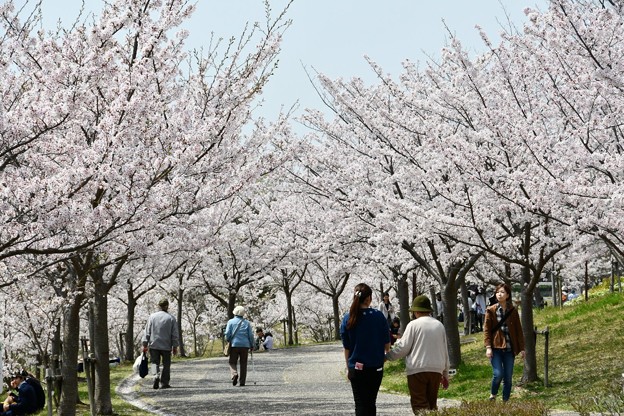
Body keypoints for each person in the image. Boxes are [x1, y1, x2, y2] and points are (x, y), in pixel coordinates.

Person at [385, 295, 450, 413]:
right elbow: (445, 350)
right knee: (432, 404)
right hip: (436, 369)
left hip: (417, 369)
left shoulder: (413, 325)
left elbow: (403, 348)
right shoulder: (439, 325)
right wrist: (445, 373)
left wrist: (388, 356)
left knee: (419, 404)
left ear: (416, 311)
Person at [340, 283, 390, 416]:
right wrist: (382, 357)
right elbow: (387, 345)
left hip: (356, 368)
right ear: (368, 298)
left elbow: (347, 348)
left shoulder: (348, 318)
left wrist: (348, 367)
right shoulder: (378, 316)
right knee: (371, 403)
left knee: (360, 404)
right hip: (375, 368)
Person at [484, 283, 525, 402]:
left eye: (502, 292)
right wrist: (488, 347)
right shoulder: (490, 311)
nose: (499, 294)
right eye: (497, 292)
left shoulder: (513, 310)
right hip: (495, 348)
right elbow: (486, 330)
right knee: (498, 374)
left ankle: (505, 402)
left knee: (508, 378)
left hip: (509, 349)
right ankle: (493, 394)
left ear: (507, 295)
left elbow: (518, 330)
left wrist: (522, 348)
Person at [142, 298, 179, 390]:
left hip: (154, 344)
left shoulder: (152, 317)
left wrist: (145, 344)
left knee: (154, 363)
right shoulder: (171, 318)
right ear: (167, 306)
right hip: (166, 346)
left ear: (159, 306)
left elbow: (147, 331)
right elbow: (174, 334)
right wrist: (175, 346)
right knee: (166, 365)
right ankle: (164, 382)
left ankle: (155, 376)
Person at [225, 305, 254, 386]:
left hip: (234, 345)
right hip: (245, 346)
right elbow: (250, 335)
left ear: (234, 313)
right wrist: (252, 345)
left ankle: (234, 374)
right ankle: (242, 382)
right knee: (243, 363)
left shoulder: (230, 322)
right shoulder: (247, 323)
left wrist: (228, 339)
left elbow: (227, 333)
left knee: (232, 362)